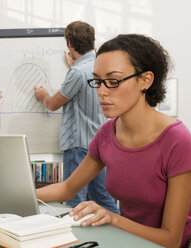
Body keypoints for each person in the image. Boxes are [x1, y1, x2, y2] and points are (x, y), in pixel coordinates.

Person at [37, 34, 191, 248]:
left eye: (113, 81)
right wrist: (13, 196)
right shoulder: (107, 134)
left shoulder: (177, 140)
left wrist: (113, 218)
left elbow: (171, 239)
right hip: (128, 241)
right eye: (97, 81)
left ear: (145, 80)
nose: (102, 91)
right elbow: (68, 188)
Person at [34, 21, 119, 214]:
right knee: (102, 198)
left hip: (78, 145)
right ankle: (125, 234)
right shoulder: (99, 66)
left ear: (70, 43)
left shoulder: (77, 73)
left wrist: (43, 96)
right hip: (98, 144)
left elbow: (53, 104)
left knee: (75, 202)